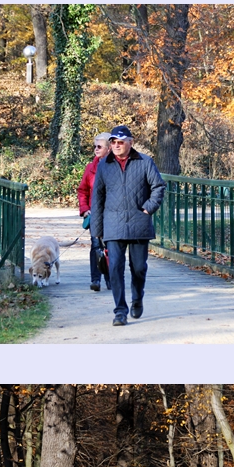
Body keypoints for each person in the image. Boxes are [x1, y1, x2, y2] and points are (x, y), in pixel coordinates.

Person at [90, 124, 166, 326]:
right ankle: (120, 311)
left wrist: (148, 208)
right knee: (114, 267)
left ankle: (137, 298)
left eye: (120, 142)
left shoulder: (145, 162)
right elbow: (97, 197)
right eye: (113, 142)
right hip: (112, 225)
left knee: (139, 268)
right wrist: (96, 231)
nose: (116, 145)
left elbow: (158, 186)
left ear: (130, 143)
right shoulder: (104, 165)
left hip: (139, 223)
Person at [78, 132, 112, 291]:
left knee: (111, 246)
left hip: (113, 214)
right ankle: (95, 280)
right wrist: (85, 210)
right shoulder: (90, 168)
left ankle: (110, 278)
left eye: (99, 146)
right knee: (96, 245)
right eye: (95, 146)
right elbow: (82, 190)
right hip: (95, 213)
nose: (95, 149)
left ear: (109, 148)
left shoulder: (117, 167)